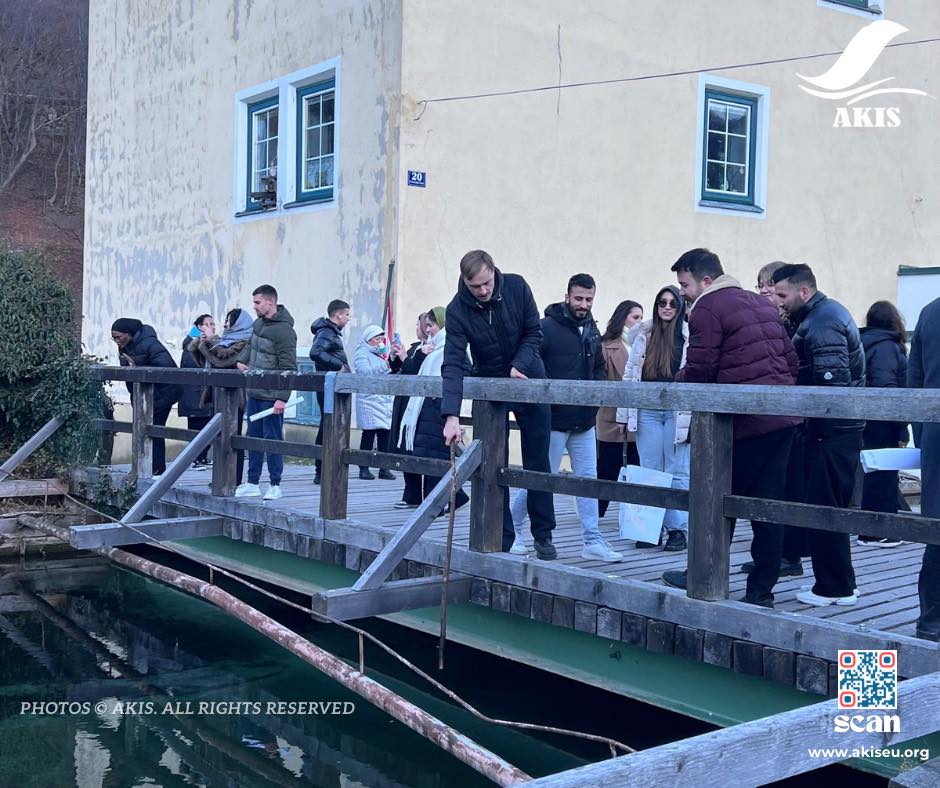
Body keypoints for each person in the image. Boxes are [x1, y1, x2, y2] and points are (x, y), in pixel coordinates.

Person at [657, 249, 802, 607]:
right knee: (767, 507)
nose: (682, 293)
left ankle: (703, 573)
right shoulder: (760, 303)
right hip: (782, 418)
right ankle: (761, 590)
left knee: (715, 498)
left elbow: (701, 369)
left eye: (684, 285)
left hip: (742, 423)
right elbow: (791, 360)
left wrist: (676, 382)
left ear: (706, 280)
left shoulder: (707, 307)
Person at [441, 249, 558, 560]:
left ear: (494, 271)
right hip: (490, 386)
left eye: (486, 283)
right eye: (475, 286)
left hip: (528, 378)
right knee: (493, 462)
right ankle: (502, 536)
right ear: (464, 281)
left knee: (538, 459)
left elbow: (534, 332)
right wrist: (451, 414)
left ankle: (543, 534)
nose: (482, 291)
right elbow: (452, 362)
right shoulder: (457, 310)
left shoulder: (517, 287)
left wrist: (520, 364)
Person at [509, 274, 621, 561]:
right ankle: (512, 529)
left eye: (589, 299)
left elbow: (599, 368)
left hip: (584, 421)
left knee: (588, 481)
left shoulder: (592, 330)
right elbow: (532, 364)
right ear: (567, 296)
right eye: (579, 298)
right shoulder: (546, 328)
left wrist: (593, 399)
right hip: (553, 420)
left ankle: (592, 539)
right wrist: (547, 402)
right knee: (541, 477)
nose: (583, 304)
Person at [772, 263, 865, 606]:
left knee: (825, 509)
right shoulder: (819, 316)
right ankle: (839, 584)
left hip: (831, 430)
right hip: (836, 428)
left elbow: (832, 385)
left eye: (782, 294)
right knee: (828, 508)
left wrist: (817, 432)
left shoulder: (822, 322)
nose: (778, 301)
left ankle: (834, 587)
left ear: (804, 291)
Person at [616, 285, 690, 551]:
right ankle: (649, 528)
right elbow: (630, 374)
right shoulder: (643, 335)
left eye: (672, 303)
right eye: (662, 303)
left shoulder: (688, 336)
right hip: (647, 408)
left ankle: (677, 529)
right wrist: (623, 414)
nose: (667, 307)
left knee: (676, 469)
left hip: (676, 409)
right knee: (649, 469)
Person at [400, 307, 470, 512]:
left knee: (435, 458)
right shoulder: (438, 348)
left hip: (439, 409)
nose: (428, 330)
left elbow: (461, 373)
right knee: (431, 456)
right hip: (431, 409)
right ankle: (448, 500)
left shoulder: (449, 347)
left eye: (431, 325)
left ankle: (436, 507)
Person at [234, 285, 297, 501]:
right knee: (253, 438)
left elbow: (289, 368)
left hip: (272, 396)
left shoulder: (285, 332)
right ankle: (252, 482)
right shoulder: (258, 324)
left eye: (257, 302)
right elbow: (250, 346)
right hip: (255, 392)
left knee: (273, 440)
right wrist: (241, 360)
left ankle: (275, 484)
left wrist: (282, 397)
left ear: (270, 302)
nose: (254, 306)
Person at [858, 300, 909, 546]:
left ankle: (870, 529)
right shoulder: (887, 347)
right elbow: (887, 387)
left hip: (866, 417)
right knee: (884, 474)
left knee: (874, 473)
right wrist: (901, 426)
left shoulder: (863, 343)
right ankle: (878, 531)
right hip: (883, 418)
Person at [191, 307, 254, 486]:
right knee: (219, 438)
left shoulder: (245, 341)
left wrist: (212, 340)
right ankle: (220, 478)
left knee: (233, 439)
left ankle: (234, 479)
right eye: (226, 320)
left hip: (236, 396)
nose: (225, 324)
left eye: (229, 321)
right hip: (217, 394)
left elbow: (224, 359)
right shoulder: (224, 340)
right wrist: (201, 343)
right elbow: (206, 361)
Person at [110, 318, 181, 477]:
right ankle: (142, 467)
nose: (116, 341)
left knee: (154, 430)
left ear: (129, 334)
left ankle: (157, 469)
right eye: (113, 338)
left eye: (118, 337)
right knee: (141, 430)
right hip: (141, 395)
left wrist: (137, 364)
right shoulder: (124, 346)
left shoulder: (151, 344)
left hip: (164, 393)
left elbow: (167, 368)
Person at [908, 296, 940, 641]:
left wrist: (922, 433)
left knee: (938, 529)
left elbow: (913, 378)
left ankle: (931, 620)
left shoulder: (930, 311)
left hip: (935, 432)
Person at [596, 300, 643, 517]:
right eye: (635, 317)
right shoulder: (605, 346)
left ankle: (635, 516)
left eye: (641, 317)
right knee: (607, 466)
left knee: (637, 466)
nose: (639, 322)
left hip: (638, 416)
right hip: (611, 415)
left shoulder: (642, 344)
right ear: (623, 317)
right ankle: (597, 511)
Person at [390, 312, 432, 508]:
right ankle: (412, 495)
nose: (417, 328)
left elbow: (415, 371)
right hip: (406, 404)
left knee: (420, 450)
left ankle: (424, 497)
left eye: (419, 325)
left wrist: (405, 357)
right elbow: (399, 368)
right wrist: (394, 356)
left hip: (419, 406)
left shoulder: (430, 349)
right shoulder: (416, 347)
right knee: (407, 448)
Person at [309, 300, 350, 485]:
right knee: (327, 425)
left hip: (332, 386)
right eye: (347, 314)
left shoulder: (329, 331)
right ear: (338, 315)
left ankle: (326, 468)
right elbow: (315, 352)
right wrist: (338, 366)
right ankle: (321, 469)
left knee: (330, 424)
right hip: (328, 386)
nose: (348, 318)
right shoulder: (327, 332)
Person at [354, 325, 399, 480]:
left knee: (385, 434)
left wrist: (392, 360)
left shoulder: (381, 354)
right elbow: (365, 374)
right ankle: (363, 467)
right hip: (369, 400)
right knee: (369, 433)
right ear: (369, 339)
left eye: (381, 338)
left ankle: (384, 468)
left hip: (383, 399)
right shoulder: (361, 353)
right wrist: (386, 365)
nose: (380, 341)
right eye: (377, 338)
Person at [179, 313, 216, 469]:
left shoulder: (206, 343)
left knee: (207, 425)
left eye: (213, 324)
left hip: (203, 392)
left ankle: (202, 457)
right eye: (208, 324)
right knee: (197, 426)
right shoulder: (191, 345)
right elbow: (194, 369)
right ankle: (196, 458)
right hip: (194, 393)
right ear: (199, 327)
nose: (212, 327)